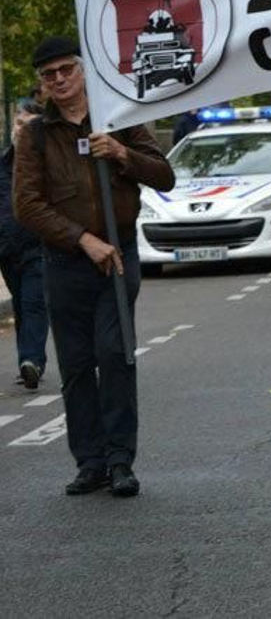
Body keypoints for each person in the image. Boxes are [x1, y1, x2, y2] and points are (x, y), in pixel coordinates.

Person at [13, 36, 176, 497]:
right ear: (41, 84)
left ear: (84, 70)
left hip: (118, 258)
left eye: (67, 69)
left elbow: (165, 175)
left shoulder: (119, 119)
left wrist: (123, 155)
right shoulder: (36, 136)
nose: (60, 80)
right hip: (65, 262)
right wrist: (82, 239)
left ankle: (121, 459)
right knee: (77, 364)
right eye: (49, 75)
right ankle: (90, 462)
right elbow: (27, 205)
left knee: (114, 353)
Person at [2, 99, 49, 390]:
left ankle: (32, 360)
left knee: (34, 303)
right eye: (18, 123)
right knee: (20, 305)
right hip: (7, 250)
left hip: (38, 247)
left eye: (28, 125)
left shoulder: (47, 164)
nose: (20, 130)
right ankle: (27, 362)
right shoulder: (2, 165)